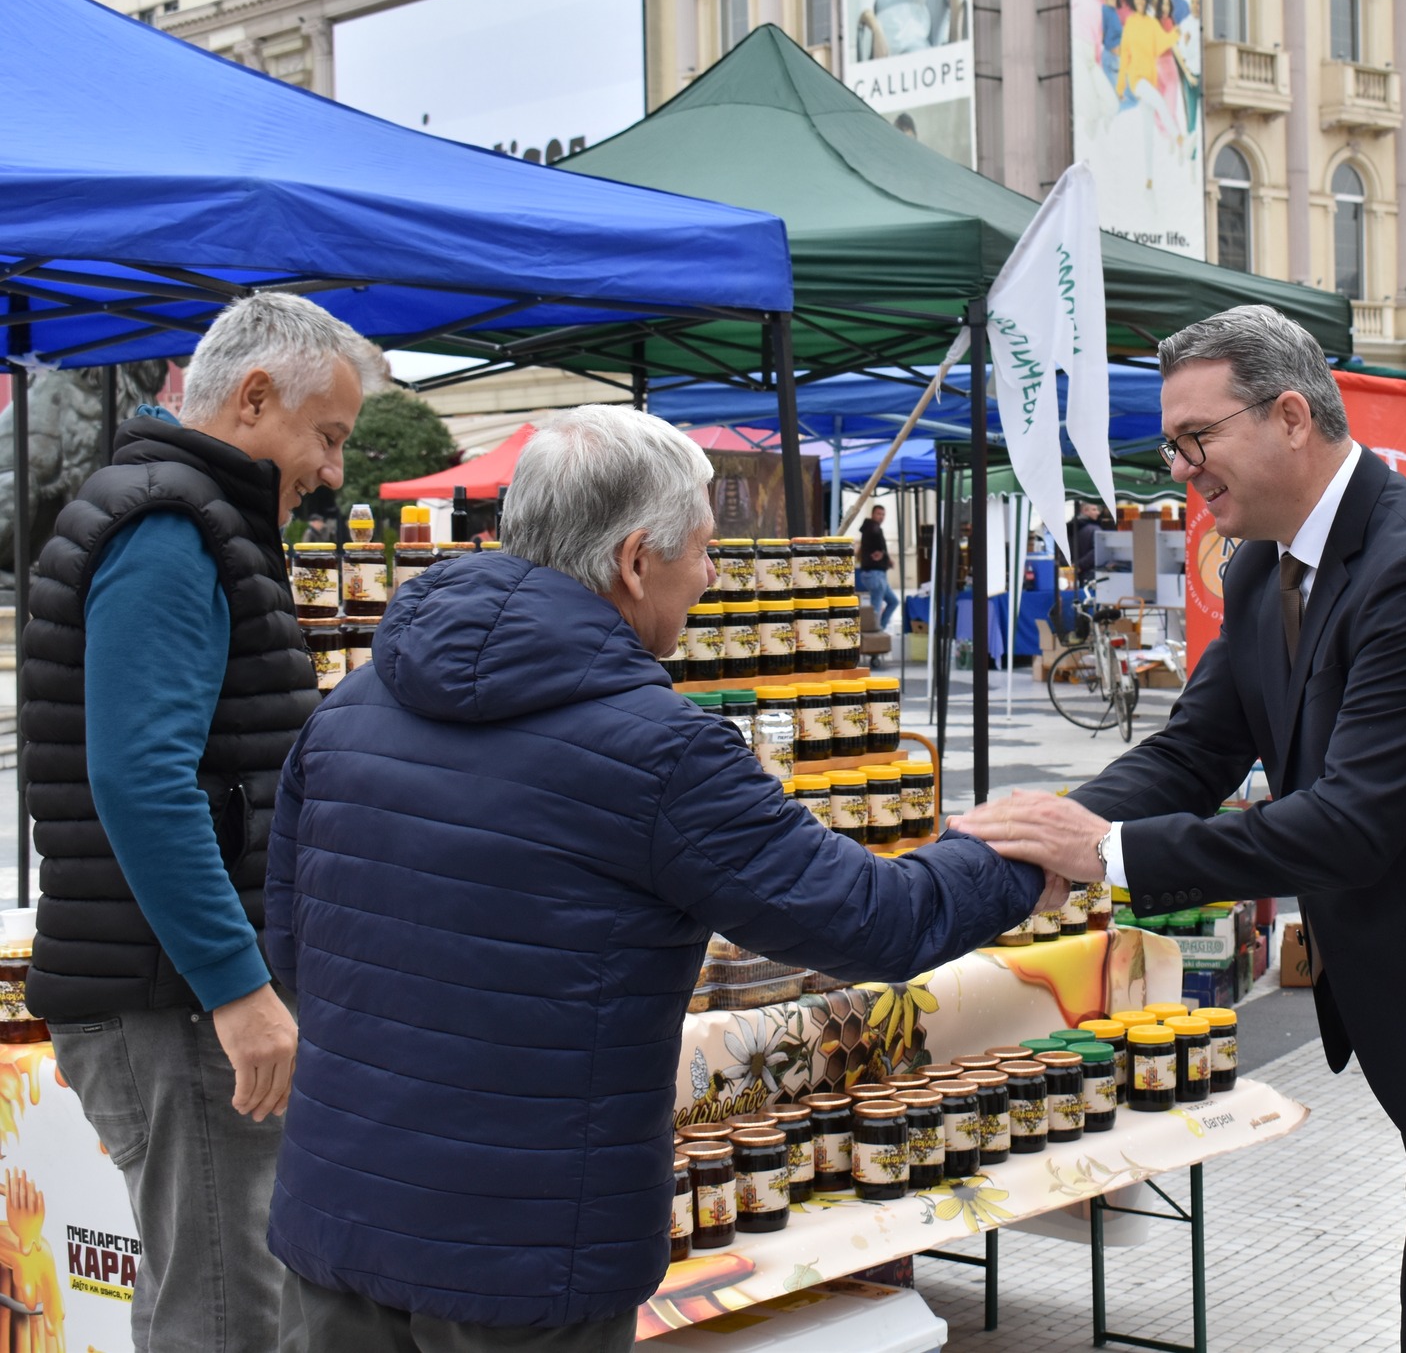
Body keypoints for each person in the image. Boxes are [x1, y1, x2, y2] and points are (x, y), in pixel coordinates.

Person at [265, 405, 1052, 1351]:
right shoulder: (663, 752)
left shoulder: (349, 705)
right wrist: (1010, 857)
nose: (713, 578)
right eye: (708, 551)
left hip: (342, 1211)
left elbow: (294, 950)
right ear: (636, 561)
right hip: (524, 1250)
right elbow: (872, 921)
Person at [954, 304, 1406, 1353]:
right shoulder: (1266, 563)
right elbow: (1194, 750)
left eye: (1196, 440)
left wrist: (1107, 859)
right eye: (1171, 447)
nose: (1183, 471)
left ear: (1291, 417)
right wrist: (1063, 822)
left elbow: (1349, 825)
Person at [19, 291, 386, 1353]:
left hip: (177, 994)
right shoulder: (172, 529)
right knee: (225, 1318)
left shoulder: (190, 518)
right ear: (255, 399)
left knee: (237, 1299)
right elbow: (141, 780)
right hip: (173, 1003)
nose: (334, 470)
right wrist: (238, 988)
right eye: (327, 437)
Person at [857, 501, 900, 630]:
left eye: (883, 514)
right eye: (878, 514)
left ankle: (880, 627)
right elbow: (874, 536)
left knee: (893, 601)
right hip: (874, 573)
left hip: (878, 573)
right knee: (876, 604)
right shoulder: (872, 527)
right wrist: (881, 553)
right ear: (872, 514)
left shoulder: (871, 528)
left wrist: (885, 556)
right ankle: (874, 629)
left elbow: (875, 546)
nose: (881, 517)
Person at [1068, 499, 1107, 587]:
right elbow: (1097, 551)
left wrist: (1072, 565)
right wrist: (1079, 565)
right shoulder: (1095, 529)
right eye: (1094, 509)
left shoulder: (1069, 528)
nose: (1098, 513)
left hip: (1071, 573)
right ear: (1085, 510)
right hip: (1090, 573)